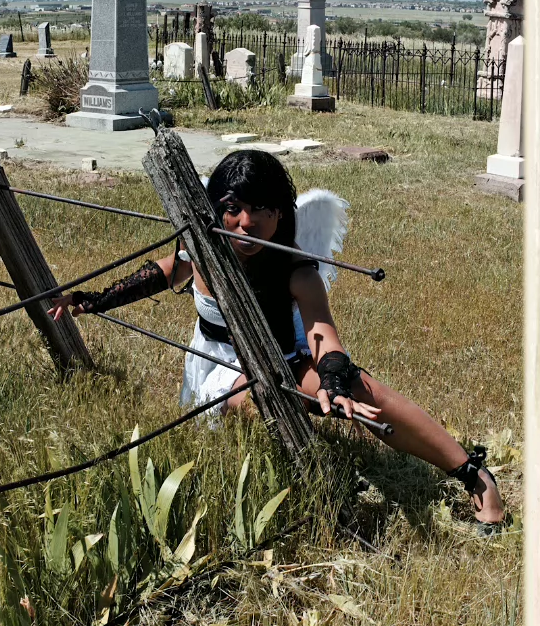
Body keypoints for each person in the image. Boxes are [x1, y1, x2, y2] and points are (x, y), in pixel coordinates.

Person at [48, 150, 505, 535]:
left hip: (283, 356)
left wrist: (333, 381)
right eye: (232, 207)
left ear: (281, 213)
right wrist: (93, 299)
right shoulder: (201, 251)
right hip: (221, 369)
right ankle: (318, 477)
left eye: (261, 208)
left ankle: (473, 474)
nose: (245, 222)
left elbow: (322, 334)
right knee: (256, 395)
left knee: (358, 388)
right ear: (215, 207)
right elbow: (153, 277)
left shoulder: (297, 269)